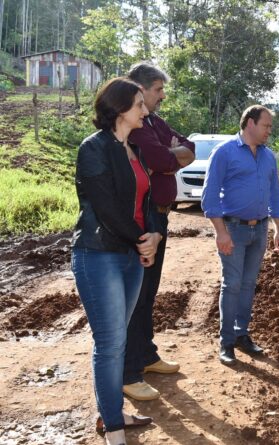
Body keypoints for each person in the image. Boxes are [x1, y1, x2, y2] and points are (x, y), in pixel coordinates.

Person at [71, 77, 163, 445]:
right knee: (109, 344)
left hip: (129, 255)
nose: (146, 109)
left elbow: (146, 204)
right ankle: (113, 429)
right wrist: (143, 240)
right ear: (120, 108)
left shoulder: (133, 151)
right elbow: (107, 209)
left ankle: (110, 413)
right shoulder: (93, 148)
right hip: (99, 255)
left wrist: (154, 235)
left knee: (118, 342)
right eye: (140, 104)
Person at [121, 62, 195, 401]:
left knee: (149, 293)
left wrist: (172, 154)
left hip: (161, 217)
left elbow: (188, 149)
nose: (162, 96)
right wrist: (170, 155)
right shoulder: (134, 125)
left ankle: (146, 355)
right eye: (158, 91)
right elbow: (161, 159)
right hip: (144, 215)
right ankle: (129, 369)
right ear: (140, 89)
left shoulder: (153, 122)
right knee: (135, 295)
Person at [201, 105, 279, 365]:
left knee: (249, 284)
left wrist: (278, 228)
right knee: (232, 284)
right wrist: (221, 232)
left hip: (259, 229)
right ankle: (226, 342)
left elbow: (275, 194)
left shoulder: (268, 156)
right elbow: (210, 194)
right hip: (233, 229)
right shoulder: (224, 153)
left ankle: (241, 334)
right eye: (266, 126)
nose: (269, 131)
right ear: (250, 123)